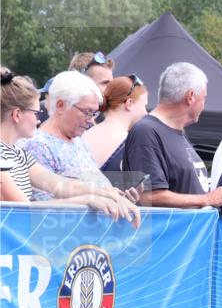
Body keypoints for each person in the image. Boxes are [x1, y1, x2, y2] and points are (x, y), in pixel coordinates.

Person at [1, 67, 139, 224]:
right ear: (17, 115)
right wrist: (86, 200)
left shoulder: (18, 154)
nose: (39, 120)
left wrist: (106, 194)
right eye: (35, 113)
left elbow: (61, 184)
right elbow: (23, 210)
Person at [122, 62, 222, 214]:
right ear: (190, 97)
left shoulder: (176, 132)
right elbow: (150, 196)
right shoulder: (146, 131)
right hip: (168, 236)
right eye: (204, 98)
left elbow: (188, 189)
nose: (203, 105)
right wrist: (208, 199)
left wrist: (221, 201)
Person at [19, 71, 119, 199]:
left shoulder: (78, 142)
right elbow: (43, 206)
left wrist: (119, 198)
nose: (90, 120)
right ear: (61, 106)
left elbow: (97, 185)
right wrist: (94, 199)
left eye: (94, 113)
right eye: (87, 112)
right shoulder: (39, 146)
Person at [82, 74, 149, 171]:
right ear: (129, 104)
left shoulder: (83, 136)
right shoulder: (131, 145)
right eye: (144, 106)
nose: (146, 113)